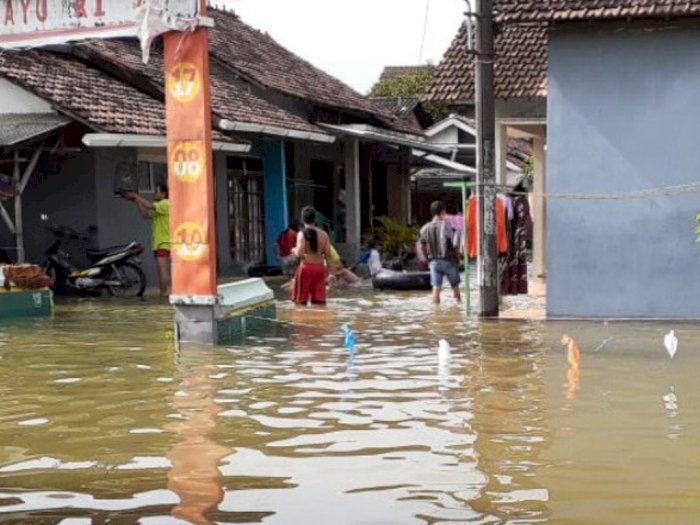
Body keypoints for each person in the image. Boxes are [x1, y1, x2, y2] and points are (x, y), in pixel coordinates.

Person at [124, 184, 170, 297]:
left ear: (164, 194)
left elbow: (149, 205)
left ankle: (164, 293)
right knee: (161, 270)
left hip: (164, 242)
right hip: (160, 242)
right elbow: (145, 215)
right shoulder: (160, 207)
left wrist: (136, 196)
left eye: (157, 191)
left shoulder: (165, 203)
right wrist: (136, 201)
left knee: (163, 269)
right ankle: (163, 292)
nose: (155, 193)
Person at [419, 200, 461, 305]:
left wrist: (428, 260)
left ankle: (435, 313)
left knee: (436, 289)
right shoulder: (448, 225)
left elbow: (422, 245)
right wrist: (459, 258)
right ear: (443, 211)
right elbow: (454, 244)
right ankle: (459, 310)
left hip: (434, 262)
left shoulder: (425, 228)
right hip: (449, 260)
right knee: (455, 288)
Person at [291, 206, 332, 306]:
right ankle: (320, 321)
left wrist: (293, 250)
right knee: (320, 303)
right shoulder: (324, 235)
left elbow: (300, 253)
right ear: (315, 219)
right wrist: (328, 272)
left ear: (302, 219)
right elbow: (328, 255)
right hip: (320, 268)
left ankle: (302, 321)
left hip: (306, 268)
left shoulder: (301, 234)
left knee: (300, 303)